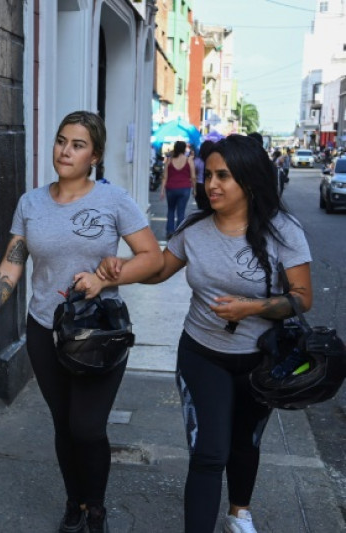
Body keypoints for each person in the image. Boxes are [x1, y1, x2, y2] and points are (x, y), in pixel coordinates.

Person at [95, 134, 313, 533]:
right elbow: (159, 270)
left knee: (245, 443)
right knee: (209, 453)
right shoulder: (195, 229)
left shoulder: (284, 231)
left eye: (223, 176)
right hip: (202, 353)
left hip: (260, 360)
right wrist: (117, 271)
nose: (211, 184)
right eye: (208, 174)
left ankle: (239, 514)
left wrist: (252, 308)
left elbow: (302, 297)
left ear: (248, 181)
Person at [0, 111, 163, 533]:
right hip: (45, 330)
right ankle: (75, 502)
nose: (65, 151)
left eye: (77, 145)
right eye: (60, 141)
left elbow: (153, 258)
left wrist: (108, 275)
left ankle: (97, 507)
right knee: (63, 424)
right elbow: (10, 268)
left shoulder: (113, 200)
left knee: (87, 427)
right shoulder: (31, 203)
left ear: (95, 155)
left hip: (99, 333)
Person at [160, 140, 196, 239]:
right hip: (184, 189)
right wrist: (195, 189)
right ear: (184, 149)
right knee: (181, 212)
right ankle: (179, 233)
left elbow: (165, 176)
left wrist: (162, 190)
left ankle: (170, 231)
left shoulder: (169, 160)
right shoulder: (189, 160)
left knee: (171, 210)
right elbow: (193, 176)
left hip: (171, 189)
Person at [195, 140, 214, 211]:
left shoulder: (198, 161)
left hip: (199, 185)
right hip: (211, 185)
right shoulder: (214, 161)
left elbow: (194, 174)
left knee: (201, 207)